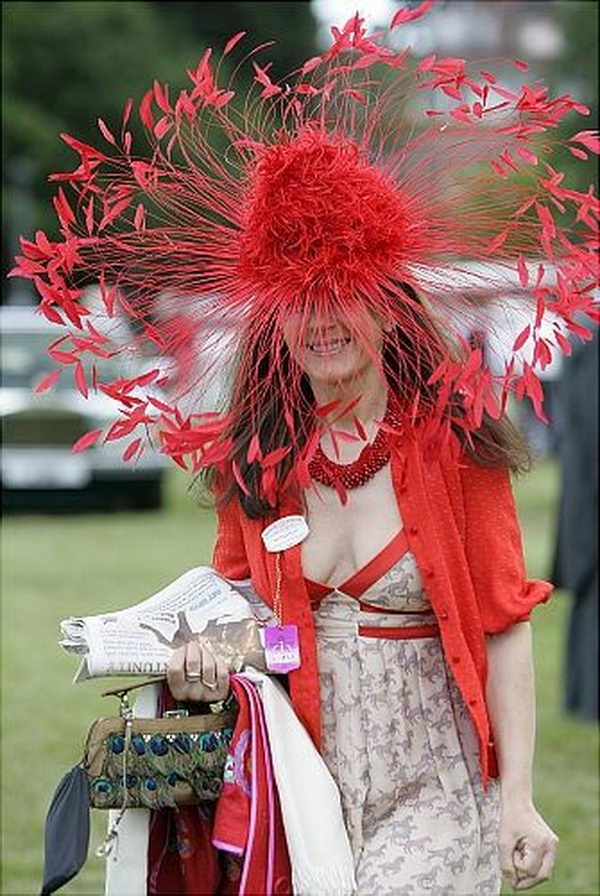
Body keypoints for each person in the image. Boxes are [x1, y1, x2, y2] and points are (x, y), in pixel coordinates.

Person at [14, 7, 597, 893]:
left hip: (437, 786)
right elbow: (237, 614)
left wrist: (517, 798)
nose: (322, 320)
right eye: (298, 297)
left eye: (342, 291)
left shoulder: (452, 441)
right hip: (302, 785)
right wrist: (204, 660)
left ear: (384, 302)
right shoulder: (258, 462)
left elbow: (504, 627)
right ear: (273, 316)